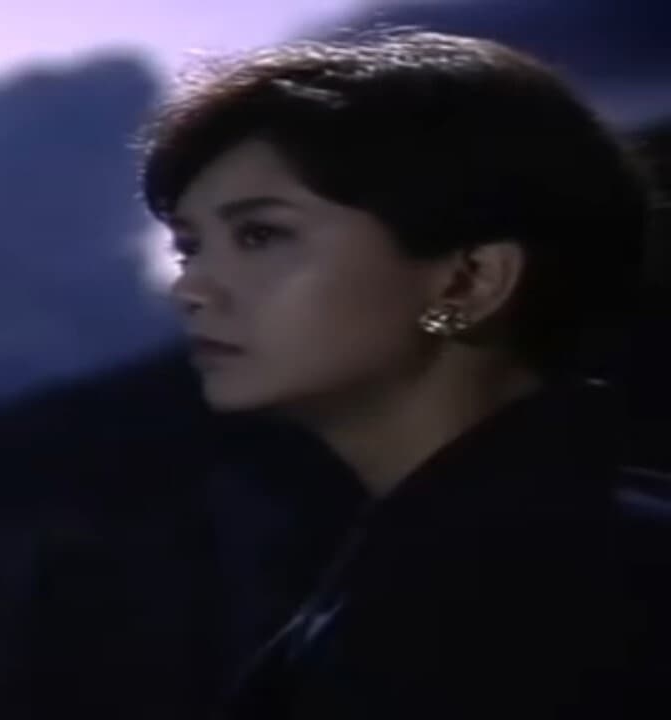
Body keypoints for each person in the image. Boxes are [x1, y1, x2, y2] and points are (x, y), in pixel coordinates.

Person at [138, 30, 671, 718]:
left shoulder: (538, 590)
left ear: (469, 280)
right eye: (189, 248)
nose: (191, 288)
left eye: (260, 235)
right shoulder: (467, 554)